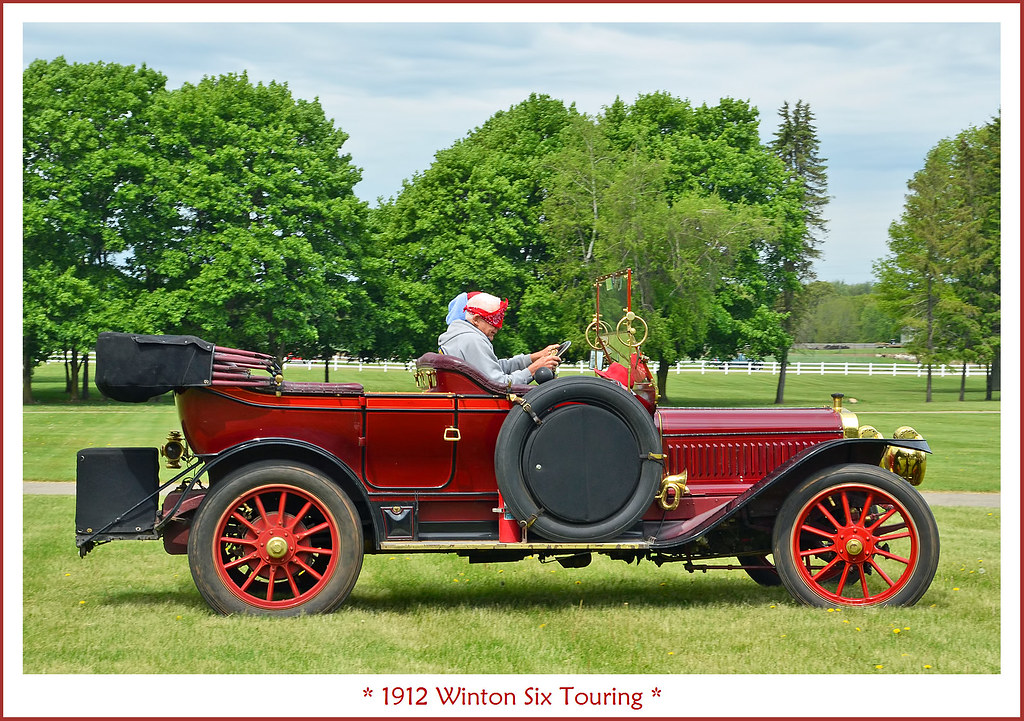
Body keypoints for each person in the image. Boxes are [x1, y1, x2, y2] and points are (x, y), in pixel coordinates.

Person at [438, 291, 561, 387]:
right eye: (494, 320)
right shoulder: (472, 340)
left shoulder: (461, 336)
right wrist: (532, 371)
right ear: (475, 319)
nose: (498, 327)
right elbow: (499, 384)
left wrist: (535, 357)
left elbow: (493, 367)